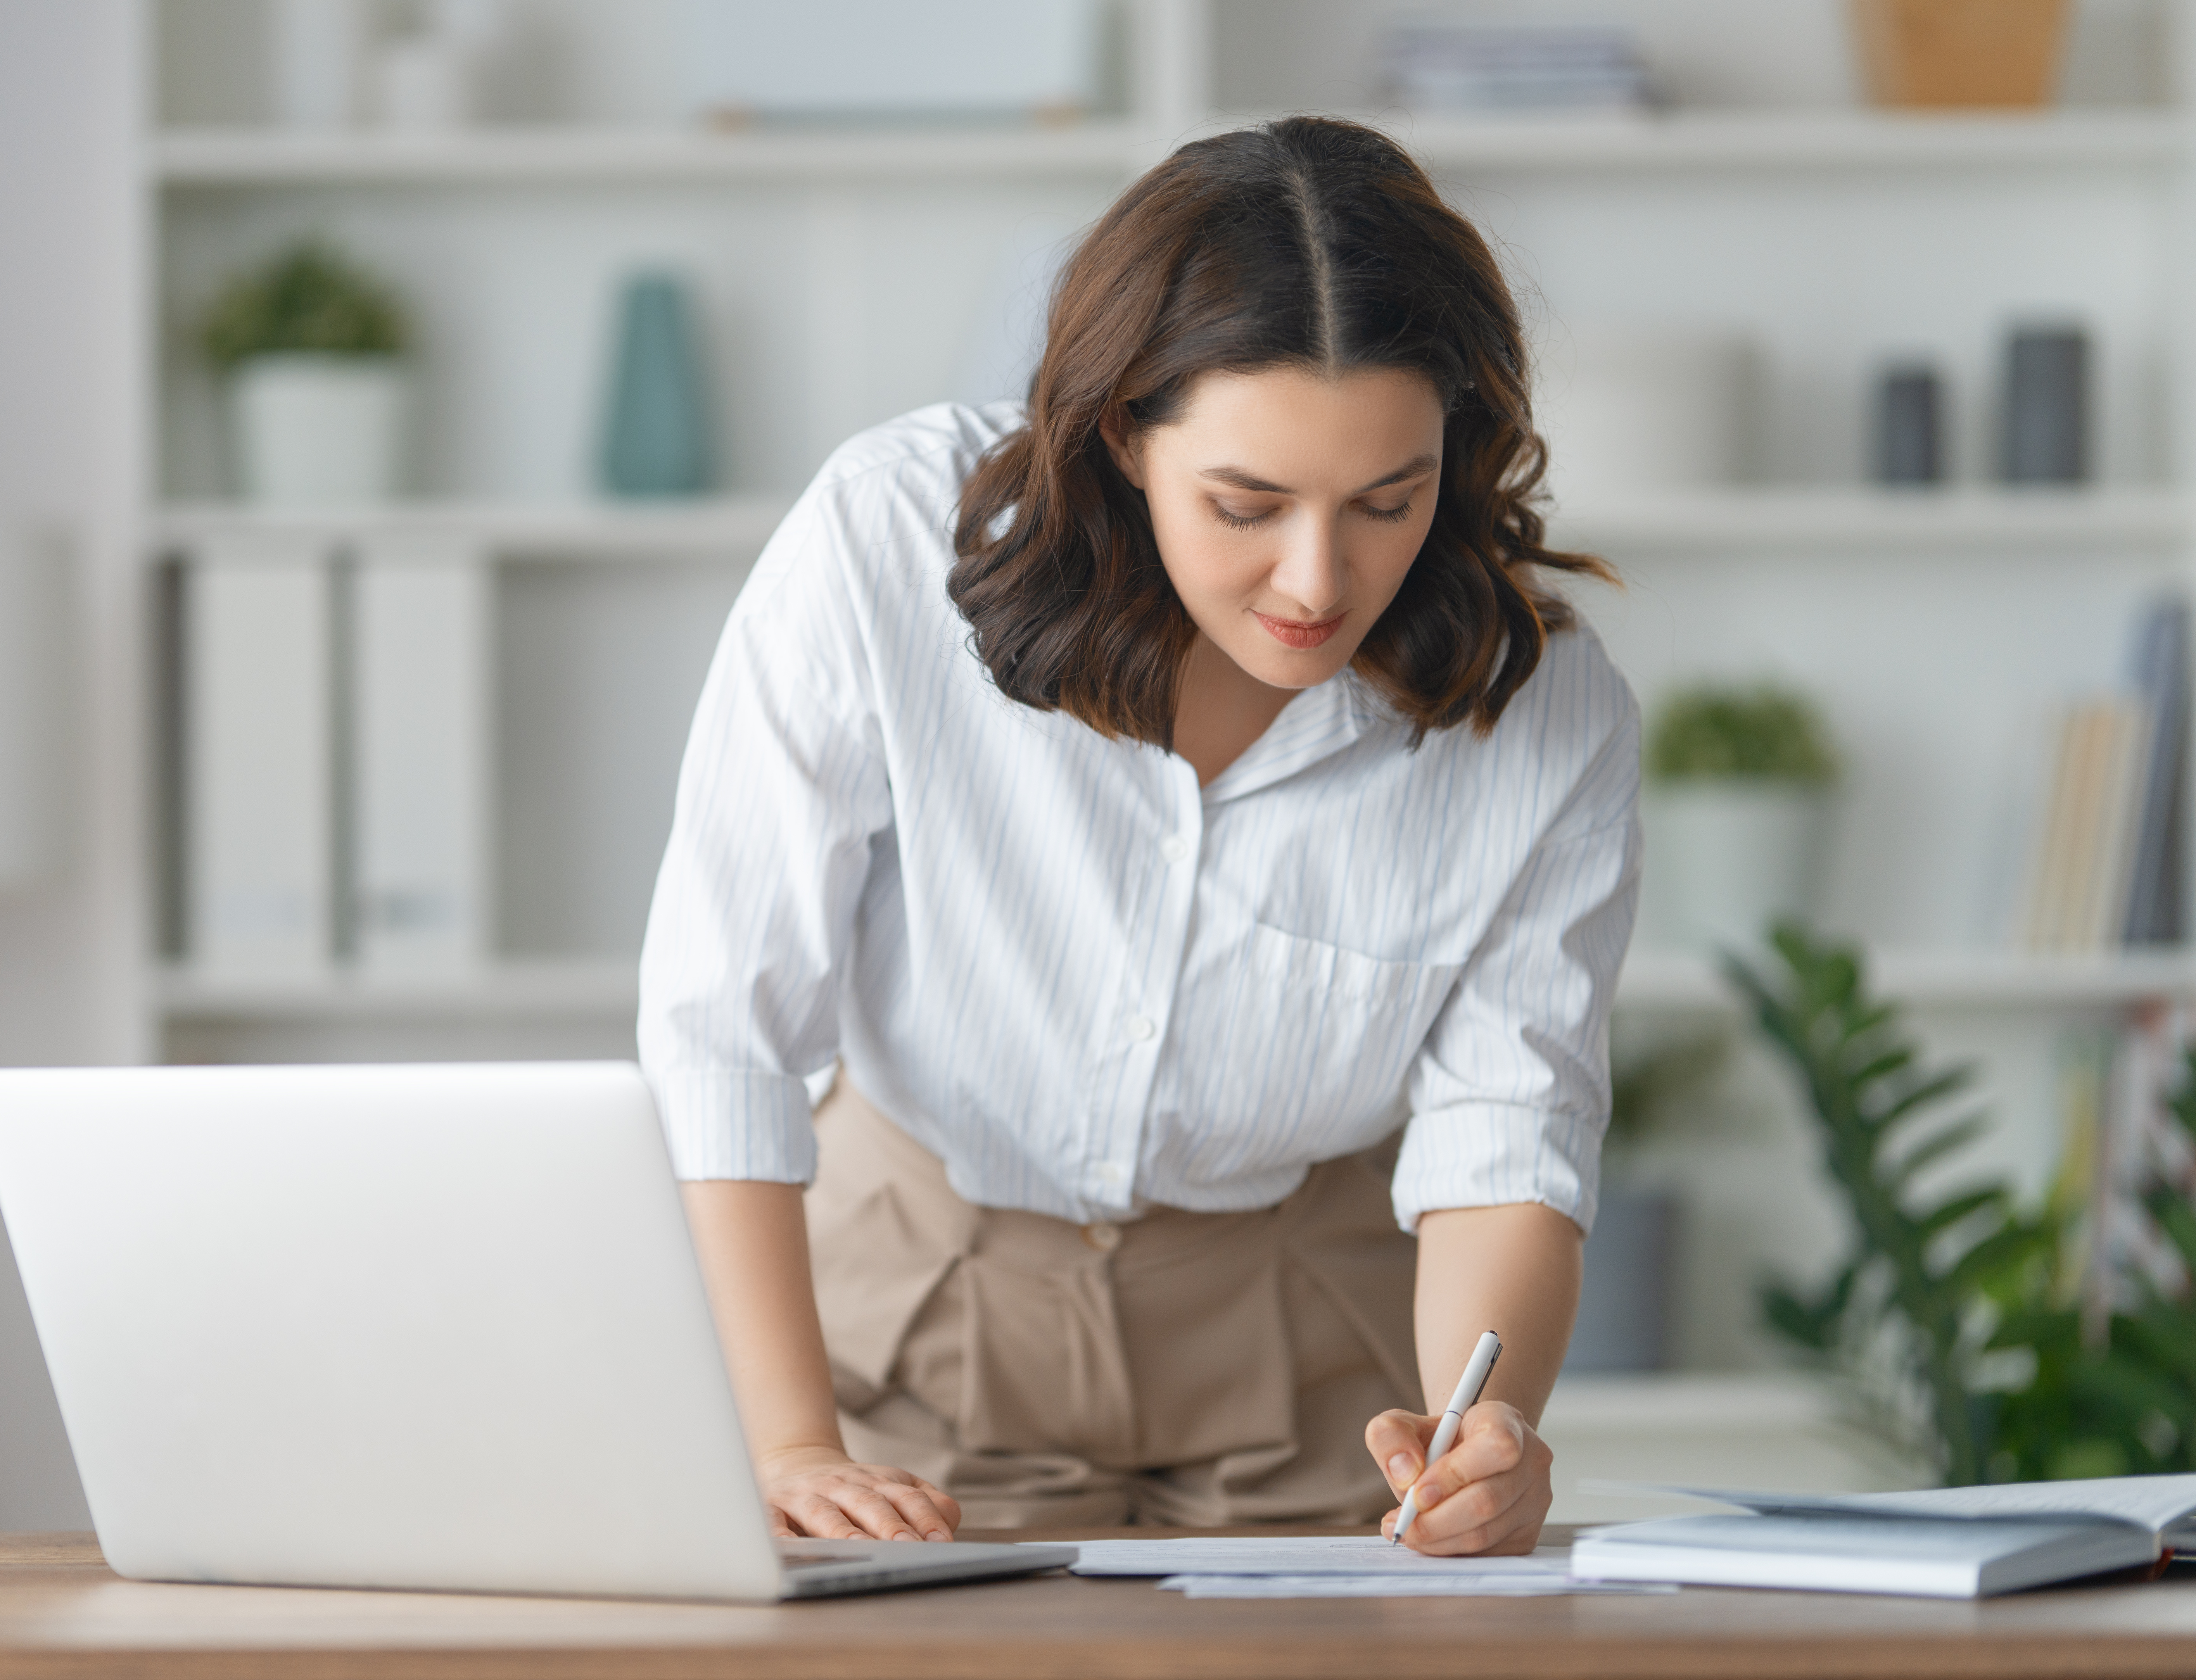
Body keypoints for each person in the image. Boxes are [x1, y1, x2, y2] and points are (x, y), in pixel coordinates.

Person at [638, 116, 1636, 1557]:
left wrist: (1492, 1436)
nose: (1317, 579)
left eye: (1386, 500)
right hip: (903, 1339)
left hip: (1311, 1368)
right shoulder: (887, 543)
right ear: (1121, 435)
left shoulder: (1542, 709)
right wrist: (791, 1443)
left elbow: (1508, 1129)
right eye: (1246, 504)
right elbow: (724, 1031)